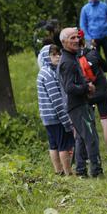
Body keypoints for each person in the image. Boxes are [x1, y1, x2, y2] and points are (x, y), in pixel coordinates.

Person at [58, 27, 104, 178]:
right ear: (64, 42)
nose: (77, 40)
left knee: (81, 138)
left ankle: (81, 171)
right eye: (72, 38)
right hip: (76, 105)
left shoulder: (72, 57)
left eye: (77, 37)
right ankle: (96, 172)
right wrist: (86, 87)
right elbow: (69, 87)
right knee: (91, 138)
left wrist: (85, 84)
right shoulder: (67, 62)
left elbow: (76, 81)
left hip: (79, 103)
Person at [77, 29, 107, 163]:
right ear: (84, 40)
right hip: (101, 91)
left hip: (86, 93)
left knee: (90, 125)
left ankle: (92, 158)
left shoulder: (73, 59)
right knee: (106, 122)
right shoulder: (93, 53)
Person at [37, 44, 74, 176]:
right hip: (55, 116)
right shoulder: (48, 74)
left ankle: (59, 171)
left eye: (59, 54)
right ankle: (68, 173)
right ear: (46, 57)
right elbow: (56, 100)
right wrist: (65, 119)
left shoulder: (47, 71)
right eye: (53, 55)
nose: (58, 56)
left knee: (53, 144)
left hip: (47, 117)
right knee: (63, 145)